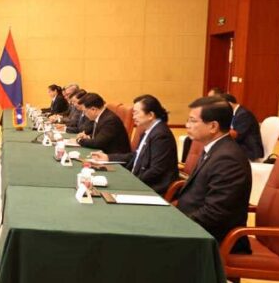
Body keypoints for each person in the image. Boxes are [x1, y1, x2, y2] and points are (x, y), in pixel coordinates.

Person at [173, 96, 252, 253]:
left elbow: (215, 213)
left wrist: (175, 224)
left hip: (214, 238)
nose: (187, 125)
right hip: (195, 227)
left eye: (193, 121)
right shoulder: (214, 148)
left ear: (213, 126)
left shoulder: (228, 159)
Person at [92, 95, 178, 195]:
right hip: (139, 179)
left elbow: (156, 170)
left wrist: (131, 180)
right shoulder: (149, 130)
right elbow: (136, 155)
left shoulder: (161, 135)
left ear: (150, 115)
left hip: (152, 188)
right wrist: (108, 157)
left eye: (136, 113)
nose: (133, 117)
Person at [220, 93, 264, 161]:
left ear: (229, 104)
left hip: (248, 150)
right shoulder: (233, 113)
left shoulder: (244, 114)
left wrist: (220, 128)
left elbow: (237, 136)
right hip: (238, 146)